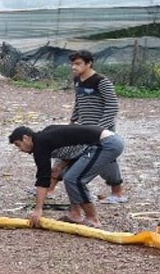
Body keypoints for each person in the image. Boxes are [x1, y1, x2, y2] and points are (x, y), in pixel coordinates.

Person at [8, 124, 125, 228]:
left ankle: (93, 219)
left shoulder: (40, 144)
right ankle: (75, 214)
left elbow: (43, 179)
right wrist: (60, 167)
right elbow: (72, 145)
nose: (20, 150)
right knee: (69, 176)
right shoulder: (46, 134)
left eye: (19, 145)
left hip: (106, 143)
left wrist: (38, 209)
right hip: (104, 140)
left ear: (26, 138)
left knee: (74, 179)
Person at [58, 50, 126, 204]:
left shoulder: (101, 81)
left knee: (106, 158)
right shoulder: (78, 81)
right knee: (69, 152)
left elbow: (112, 106)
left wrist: (100, 128)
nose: (73, 67)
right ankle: (49, 187)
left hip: (101, 130)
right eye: (72, 64)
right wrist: (73, 120)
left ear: (89, 63)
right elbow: (79, 101)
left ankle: (118, 192)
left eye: (78, 64)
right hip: (84, 127)